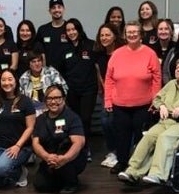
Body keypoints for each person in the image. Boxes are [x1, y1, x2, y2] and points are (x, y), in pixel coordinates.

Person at [117, 57, 179, 189]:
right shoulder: (171, 84)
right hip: (166, 121)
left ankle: (158, 174)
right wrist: (161, 106)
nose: (178, 70)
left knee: (164, 137)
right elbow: (157, 99)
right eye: (177, 68)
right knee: (149, 137)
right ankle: (133, 171)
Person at [104, 21, 162, 173]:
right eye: (129, 32)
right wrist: (108, 100)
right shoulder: (117, 54)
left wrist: (156, 101)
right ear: (124, 35)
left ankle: (139, 165)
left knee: (141, 137)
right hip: (120, 104)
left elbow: (157, 80)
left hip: (144, 105)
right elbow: (109, 79)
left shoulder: (150, 54)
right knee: (121, 135)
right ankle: (122, 162)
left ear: (141, 34)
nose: (132, 34)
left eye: (135, 31)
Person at [0, 69, 36, 189]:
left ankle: (19, 172)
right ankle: (12, 173)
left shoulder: (26, 101)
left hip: (19, 147)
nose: (7, 83)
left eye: (10, 79)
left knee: (1, 168)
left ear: (16, 81)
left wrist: (18, 146)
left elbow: (30, 127)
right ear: (0, 83)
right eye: (3, 80)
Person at [31, 84, 87, 194]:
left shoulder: (72, 117)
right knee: (40, 184)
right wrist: (46, 156)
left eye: (57, 98)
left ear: (63, 99)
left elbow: (79, 142)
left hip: (70, 158)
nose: (53, 102)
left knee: (64, 154)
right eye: (50, 98)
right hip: (49, 157)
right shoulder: (40, 119)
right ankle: (60, 178)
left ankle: (71, 182)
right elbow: (35, 143)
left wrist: (65, 158)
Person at [60, 18, 97, 157]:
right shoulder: (64, 49)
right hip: (72, 90)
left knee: (85, 118)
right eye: (68, 30)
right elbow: (62, 70)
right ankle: (77, 147)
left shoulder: (91, 45)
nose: (71, 32)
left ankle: (85, 148)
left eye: (73, 29)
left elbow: (97, 67)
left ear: (79, 29)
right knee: (75, 119)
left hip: (89, 89)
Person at [94, 23, 123, 168]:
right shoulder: (99, 55)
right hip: (106, 94)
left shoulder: (121, 54)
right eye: (102, 35)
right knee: (105, 122)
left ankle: (120, 152)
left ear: (114, 36)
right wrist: (106, 91)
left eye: (107, 35)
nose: (104, 38)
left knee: (116, 123)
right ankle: (113, 151)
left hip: (121, 94)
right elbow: (100, 75)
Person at [18, 50, 68, 114]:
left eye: (39, 61)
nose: (37, 64)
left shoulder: (51, 72)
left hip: (52, 107)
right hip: (31, 110)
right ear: (29, 64)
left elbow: (64, 90)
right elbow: (20, 97)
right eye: (33, 62)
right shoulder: (24, 78)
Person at [35, 0, 68, 64]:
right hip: (48, 69)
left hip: (68, 68)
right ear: (49, 11)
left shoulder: (70, 29)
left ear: (64, 9)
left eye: (59, 7)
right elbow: (37, 52)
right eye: (53, 8)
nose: (56, 10)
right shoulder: (42, 30)